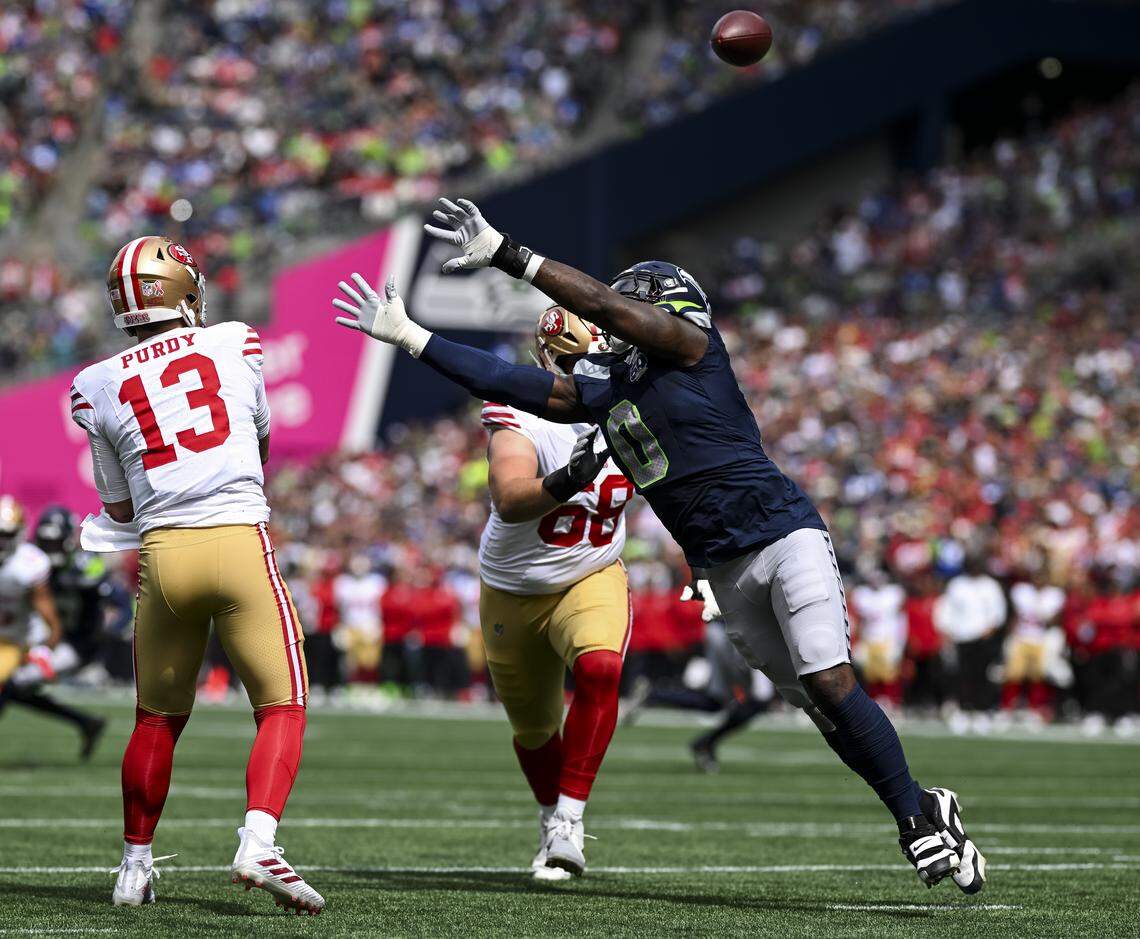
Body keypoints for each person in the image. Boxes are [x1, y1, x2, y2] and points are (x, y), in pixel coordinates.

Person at [330, 196, 986, 893]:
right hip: (722, 569)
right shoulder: (609, 389)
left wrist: (510, 255)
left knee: (830, 677)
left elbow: (614, 314)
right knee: (821, 705)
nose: (612, 317)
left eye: (625, 307)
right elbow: (510, 381)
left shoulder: (693, 350)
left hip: (783, 532)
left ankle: (911, 821)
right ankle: (925, 802)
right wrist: (412, 336)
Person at [71, 236, 322, 913]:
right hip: (238, 540)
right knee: (282, 702)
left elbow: (117, 505)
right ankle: (259, 840)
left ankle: (133, 867)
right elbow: (259, 443)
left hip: (164, 556)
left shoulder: (92, 385)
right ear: (183, 290)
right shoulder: (235, 341)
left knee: (155, 719)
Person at [475, 305, 634, 878]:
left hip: (592, 572)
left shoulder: (636, 411)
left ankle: (569, 821)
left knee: (601, 671)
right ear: (547, 361)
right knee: (536, 729)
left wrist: (706, 562)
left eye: (596, 360)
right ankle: (549, 815)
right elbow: (511, 499)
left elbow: (685, 492)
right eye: (572, 361)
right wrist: (572, 475)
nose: (586, 371)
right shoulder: (520, 411)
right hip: (512, 589)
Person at [624, 580, 773, 774]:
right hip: (740, 632)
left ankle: (655, 695)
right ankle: (705, 743)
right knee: (761, 697)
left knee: (717, 701)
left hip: (724, 629)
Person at [0, 497, 105, 759]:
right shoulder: (34, 562)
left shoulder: (82, 565)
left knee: (13, 684)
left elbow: (108, 595)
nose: (51, 548)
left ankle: (84, 722)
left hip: (76, 644)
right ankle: (84, 722)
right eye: (46, 542)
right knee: (14, 689)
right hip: (34, 639)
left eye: (56, 542)